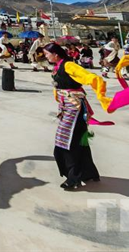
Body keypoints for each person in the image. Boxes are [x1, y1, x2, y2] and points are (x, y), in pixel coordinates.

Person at [43, 43, 102, 191]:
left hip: (74, 108)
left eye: (47, 54)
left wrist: (101, 91)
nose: (45, 56)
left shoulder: (69, 65)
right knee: (78, 140)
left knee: (66, 142)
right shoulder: (58, 66)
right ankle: (88, 173)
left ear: (56, 54)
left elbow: (88, 76)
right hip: (67, 106)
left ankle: (74, 178)